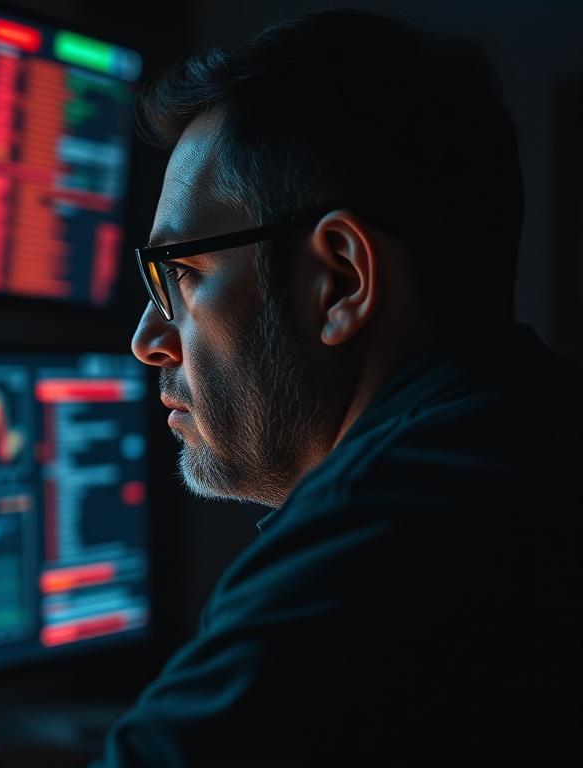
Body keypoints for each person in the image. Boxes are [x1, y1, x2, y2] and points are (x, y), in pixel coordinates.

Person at [101, 9, 582, 764]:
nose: (148, 340)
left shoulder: (379, 544)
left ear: (341, 281)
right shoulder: (537, 432)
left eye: (183, 275)